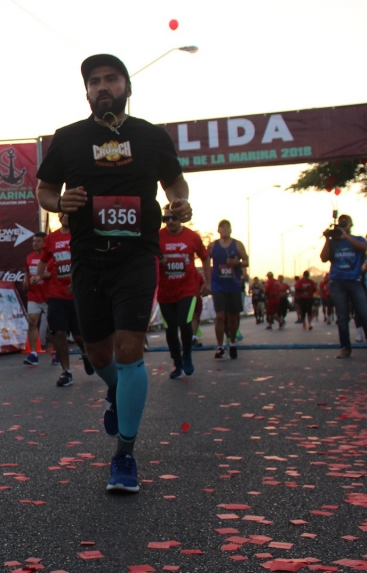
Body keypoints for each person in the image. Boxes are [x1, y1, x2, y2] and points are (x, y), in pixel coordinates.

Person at [36, 53, 192, 493]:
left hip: (137, 256)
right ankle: (114, 391)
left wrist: (180, 201)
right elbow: (46, 189)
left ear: (126, 86)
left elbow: (175, 183)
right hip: (88, 257)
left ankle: (124, 455)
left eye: (111, 79)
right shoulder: (67, 139)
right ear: (86, 92)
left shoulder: (152, 137)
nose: (103, 86)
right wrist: (56, 204)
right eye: (95, 81)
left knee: (129, 349)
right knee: (100, 356)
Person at [319, 215, 367, 359]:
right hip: (337, 282)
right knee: (342, 317)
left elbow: (364, 247)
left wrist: (346, 236)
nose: (342, 228)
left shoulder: (358, 239)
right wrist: (327, 240)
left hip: (355, 280)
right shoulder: (333, 243)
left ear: (350, 225)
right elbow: (323, 258)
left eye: (345, 224)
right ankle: (345, 348)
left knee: (364, 315)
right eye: (340, 226)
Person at [157, 205, 210, 378]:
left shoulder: (192, 236)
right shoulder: (157, 237)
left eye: (173, 218)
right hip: (165, 291)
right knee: (170, 328)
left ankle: (187, 355)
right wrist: (158, 257)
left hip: (187, 289)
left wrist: (207, 282)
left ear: (181, 218)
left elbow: (205, 256)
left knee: (184, 321)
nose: (170, 222)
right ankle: (177, 362)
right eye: (166, 219)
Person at [37, 213, 85, 385]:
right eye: (63, 212)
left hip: (76, 295)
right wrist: (41, 274)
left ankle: (85, 353)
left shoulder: (80, 235)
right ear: (59, 215)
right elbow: (42, 263)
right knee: (59, 332)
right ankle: (66, 371)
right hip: (56, 294)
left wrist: (77, 281)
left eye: (68, 212)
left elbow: (87, 261)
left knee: (79, 336)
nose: (66, 216)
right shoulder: (51, 238)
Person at [208, 220, 249, 359]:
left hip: (233, 284)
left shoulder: (237, 244)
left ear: (231, 230)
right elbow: (205, 261)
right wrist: (207, 282)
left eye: (227, 227)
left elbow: (247, 261)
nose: (225, 229)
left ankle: (231, 343)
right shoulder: (213, 246)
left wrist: (237, 262)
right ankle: (219, 347)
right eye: (222, 227)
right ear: (218, 230)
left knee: (233, 316)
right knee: (220, 316)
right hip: (218, 284)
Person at [22, 231, 50, 365]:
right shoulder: (29, 257)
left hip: (49, 295)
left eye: (38, 241)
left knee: (55, 327)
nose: (35, 243)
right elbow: (27, 272)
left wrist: (40, 276)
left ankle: (56, 351)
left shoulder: (50, 257)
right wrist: (26, 280)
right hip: (34, 295)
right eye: (33, 241)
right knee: (32, 323)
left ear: (44, 243)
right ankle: (33, 354)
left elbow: (52, 273)